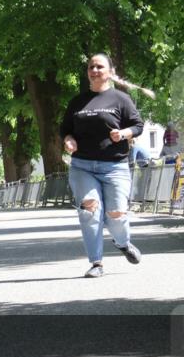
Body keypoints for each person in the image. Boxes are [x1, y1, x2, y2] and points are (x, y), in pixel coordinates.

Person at [60, 53, 145, 278]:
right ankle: (96, 263)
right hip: (82, 165)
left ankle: (123, 242)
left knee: (116, 214)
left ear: (110, 72)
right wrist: (68, 139)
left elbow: (137, 125)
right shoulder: (77, 102)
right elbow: (65, 128)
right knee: (90, 211)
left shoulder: (120, 99)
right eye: (91, 67)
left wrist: (124, 133)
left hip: (115, 166)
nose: (95, 70)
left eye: (99, 66)